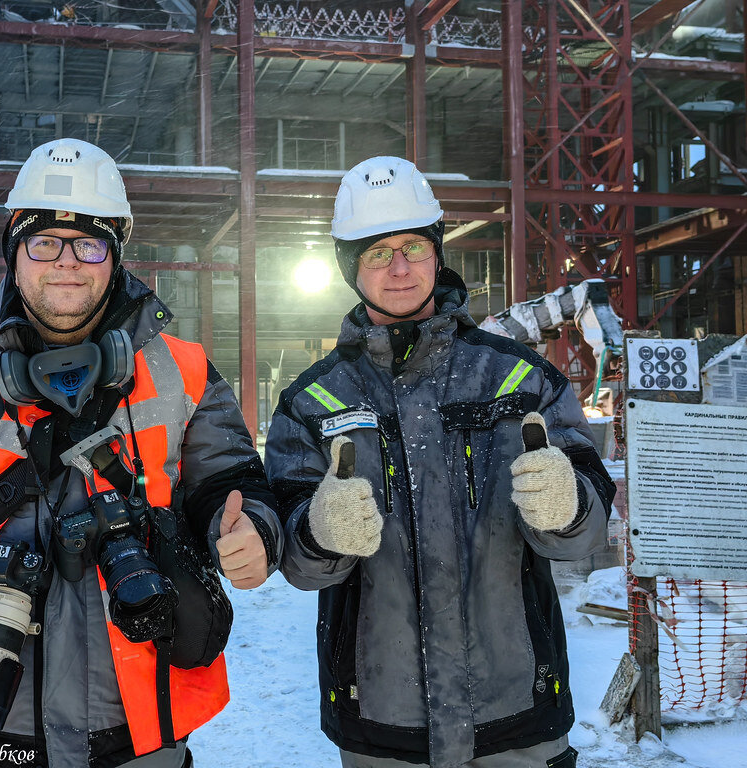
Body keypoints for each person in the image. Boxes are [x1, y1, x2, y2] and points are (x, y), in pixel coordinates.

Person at [0, 138, 282, 768]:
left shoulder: (186, 372)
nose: (66, 262)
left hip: (137, 730)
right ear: (14, 252)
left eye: (88, 244)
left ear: (115, 256)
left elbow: (232, 485)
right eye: (44, 242)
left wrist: (255, 530)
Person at [264, 156, 615, 768]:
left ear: (437, 252)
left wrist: (570, 504)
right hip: (382, 724)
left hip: (518, 719)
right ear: (350, 265)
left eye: (414, 247)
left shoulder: (521, 378)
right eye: (377, 252)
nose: (399, 268)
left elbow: (583, 533)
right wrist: (319, 534)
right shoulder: (313, 403)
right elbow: (297, 564)